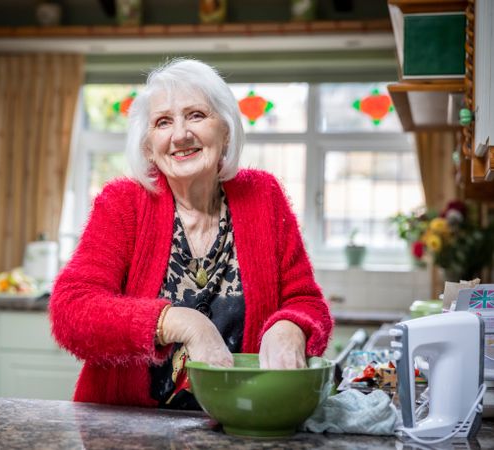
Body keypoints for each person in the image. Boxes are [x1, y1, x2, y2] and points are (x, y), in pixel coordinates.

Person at [49, 59, 333, 408]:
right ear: (148, 146)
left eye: (196, 115)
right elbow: (71, 311)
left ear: (226, 131)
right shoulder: (124, 203)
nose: (181, 134)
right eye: (163, 122)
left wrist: (292, 326)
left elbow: (307, 302)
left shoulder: (263, 196)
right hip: (128, 429)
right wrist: (180, 322)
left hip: (242, 421)